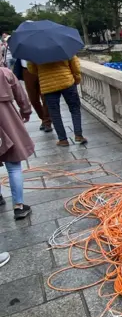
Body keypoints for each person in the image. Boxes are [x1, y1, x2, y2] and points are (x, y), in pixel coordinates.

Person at [27, 56, 88, 147]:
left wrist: (44, 72)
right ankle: (78, 135)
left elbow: (31, 69)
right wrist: (77, 78)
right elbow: (75, 65)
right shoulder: (64, 46)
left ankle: (63, 140)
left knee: (55, 114)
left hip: (48, 85)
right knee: (75, 109)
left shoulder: (34, 51)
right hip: (67, 82)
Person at [0, 66, 34, 220]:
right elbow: (21, 95)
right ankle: (19, 207)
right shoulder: (4, 72)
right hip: (7, 120)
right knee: (13, 166)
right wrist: (25, 111)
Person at [16, 56, 52, 132]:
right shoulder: (20, 45)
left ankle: (47, 121)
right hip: (26, 70)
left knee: (45, 97)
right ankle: (43, 118)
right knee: (33, 99)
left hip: (41, 67)